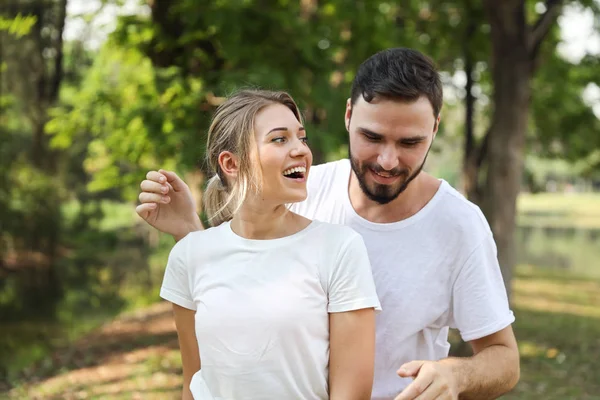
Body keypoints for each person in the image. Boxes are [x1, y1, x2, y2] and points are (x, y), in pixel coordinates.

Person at [137, 48, 520, 400]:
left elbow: (505, 360)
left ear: (434, 129)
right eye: (372, 137)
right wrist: (191, 234)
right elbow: (235, 291)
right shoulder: (302, 188)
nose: (387, 160)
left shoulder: (459, 225)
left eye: (409, 143)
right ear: (349, 115)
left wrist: (456, 375)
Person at [154, 89, 381, 400]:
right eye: (279, 139)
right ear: (231, 164)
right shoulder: (189, 255)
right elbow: (194, 384)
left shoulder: (339, 248)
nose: (301, 150)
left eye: (302, 138)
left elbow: (351, 395)